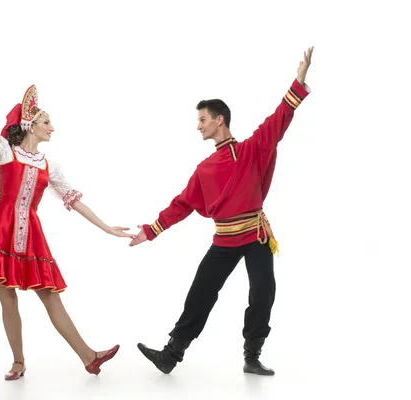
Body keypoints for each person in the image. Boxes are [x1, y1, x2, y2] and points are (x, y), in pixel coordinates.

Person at [0, 54, 131, 380]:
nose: (53, 127)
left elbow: (74, 200)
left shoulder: (48, 166)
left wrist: (107, 228)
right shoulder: (5, 151)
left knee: (51, 297)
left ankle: (89, 356)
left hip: (31, 232)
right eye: (47, 122)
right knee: (8, 299)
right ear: (30, 125)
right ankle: (19, 362)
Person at [129, 47, 314, 376]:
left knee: (264, 291)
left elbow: (276, 122)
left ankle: (252, 355)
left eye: (202, 119)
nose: (198, 126)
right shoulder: (204, 168)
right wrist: (151, 230)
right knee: (200, 292)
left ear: (220, 119)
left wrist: (297, 83)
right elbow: (182, 203)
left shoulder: (250, 150)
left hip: (256, 235)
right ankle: (171, 354)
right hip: (224, 240)